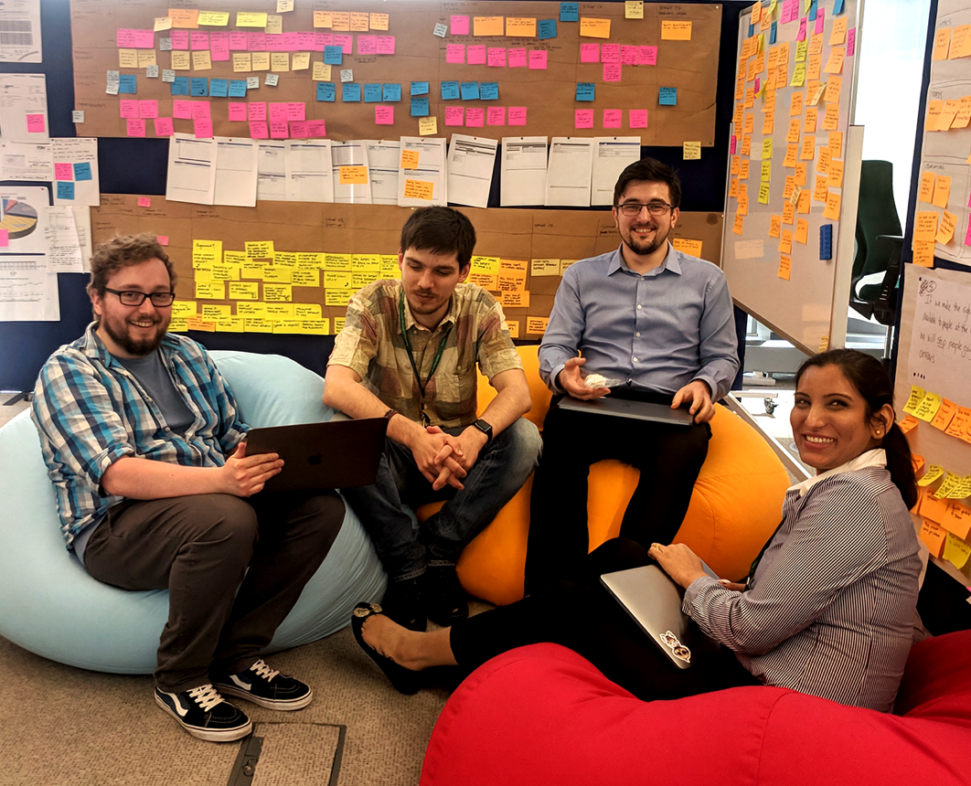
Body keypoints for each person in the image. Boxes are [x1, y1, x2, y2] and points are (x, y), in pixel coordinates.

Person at [352, 349, 924, 713]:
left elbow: (750, 631)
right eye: (802, 402)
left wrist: (694, 579)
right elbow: (793, 601)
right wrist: (718, 585)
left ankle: (423, 652)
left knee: (590, 602)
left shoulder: (854, 504)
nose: (810, 420)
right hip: (770, 665)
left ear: (878, 422)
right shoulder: (853, 490)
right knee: (624, 554)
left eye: (836, 406)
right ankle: (493, 638)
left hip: (771, 704)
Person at [31, 234, 344, 742]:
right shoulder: (69, 370)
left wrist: (271, 457)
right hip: (116, 527)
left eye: (159, 295)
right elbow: (117, 473)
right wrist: (222, 481)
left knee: (320, 509)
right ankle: (179, 677)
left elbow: (227, 434)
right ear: (97, 298)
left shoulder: (189, 354)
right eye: (130, 294)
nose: (147, 309)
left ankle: (237, 656)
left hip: (209, 501)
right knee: (227, 517)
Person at [525, 158, 740, 596]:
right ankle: (552, 594)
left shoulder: (707, 281)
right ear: (616, 214)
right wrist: (563, 378)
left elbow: (723, 358)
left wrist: (704, 385)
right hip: (595, 401)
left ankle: (616, 588)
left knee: (689, 445)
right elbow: (554, 348)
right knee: (558, 439)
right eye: (632, 206)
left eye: (657, 206)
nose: (644, 217)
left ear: (674, 215)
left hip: (669, 407)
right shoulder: (581, 277)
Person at [324, 207, 542, 631]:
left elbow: (518, 392)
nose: (425, 283)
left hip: (457, 457)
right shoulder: (371, 302)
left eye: (442, 271)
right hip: (392, 459)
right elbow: (337, 386)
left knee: (527, 438)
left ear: (464, 271)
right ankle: (406, 563)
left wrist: (475, 438)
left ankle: (441, 548)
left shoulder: (481, 308)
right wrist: (412, 436)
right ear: (400, 256)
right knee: (340, 432)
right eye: (415, 266)